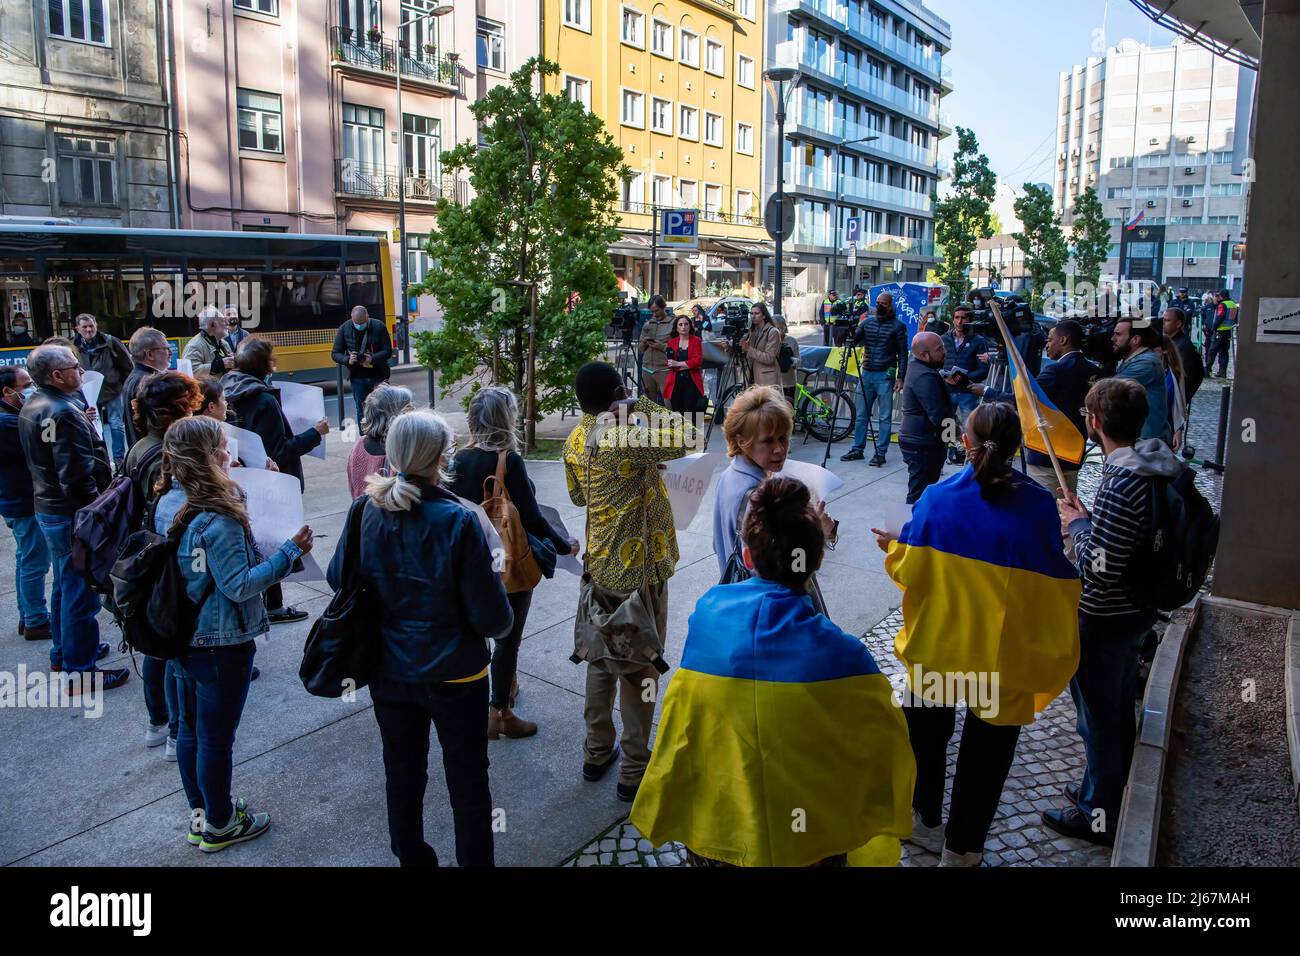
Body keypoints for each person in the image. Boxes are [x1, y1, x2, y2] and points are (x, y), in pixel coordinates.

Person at [633, 477, 914, 867]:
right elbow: (880, 751)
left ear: (747, 557)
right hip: (807, 841)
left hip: (720, 831)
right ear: (816, 560)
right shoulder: (846, 656)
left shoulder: (707, 617)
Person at [874, 403, 1081, 865]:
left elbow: (910, 570)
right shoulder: (1038, 506)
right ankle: (962, 850)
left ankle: (923, 819)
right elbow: (1052, 579)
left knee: (926, 741)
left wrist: (893, 548)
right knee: (984, 761)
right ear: (1015, 446)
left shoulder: (936, 498)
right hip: (1001, 663)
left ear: (964, 442)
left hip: (939, 647)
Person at [328, 410, 512, 867]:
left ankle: (412, 858)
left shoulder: (363, 510)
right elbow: (493, 619)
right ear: (442, 457)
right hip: (456, 674)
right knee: (468, 781)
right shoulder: (458, 520)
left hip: (389, 669)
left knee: (402, 773)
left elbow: (338, 579)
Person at [153, 416, 311, 852]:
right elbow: (239, 584)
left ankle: (201, 816)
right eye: (224, 446)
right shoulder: (217, 516)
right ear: (210, 455)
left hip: (181, 635)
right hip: (220, 643)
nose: (231, 452)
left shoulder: (168, 500)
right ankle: (221, 824)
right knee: (215, 741)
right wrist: (289, 553)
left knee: (188, 730)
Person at [1045, 377, 1184, 845]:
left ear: (1096, 422)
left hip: (1106, 617)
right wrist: (1089, 520)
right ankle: (1099, 785)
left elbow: (1099, 566)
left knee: (1100, 715)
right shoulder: (1151, 463)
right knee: (1115, 706)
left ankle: (1097, 812)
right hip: (1135, 610)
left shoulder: (1123, 479)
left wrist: (1076, 524)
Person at [562, 362, 697, 802]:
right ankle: (635, 767)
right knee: (640, 665)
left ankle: (595, 751)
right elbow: (690, 434)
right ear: (618, 394)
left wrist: (636, 473)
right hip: (640, 573)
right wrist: (639, 405)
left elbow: (580, 495)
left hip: (599, 567)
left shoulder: (577, 437)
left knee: (601, 658)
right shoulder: (625, 436)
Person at [448, 386, 578, 740]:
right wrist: (563, 545)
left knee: (478, 633)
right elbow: (533, 519)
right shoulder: (509, 460)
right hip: (507, 560)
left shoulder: (457, 459)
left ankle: (483, 699)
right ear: (506, 419)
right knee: (507, 638)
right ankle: (499, 713)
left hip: (469, 561)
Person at [18, 345, 123, 688]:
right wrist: (96, 516)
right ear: (57, 376)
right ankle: (81, 668)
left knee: (65, 584)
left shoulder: (34, 403)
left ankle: (66, 653)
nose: (81, 371)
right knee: (81, 590)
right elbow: (76, 477)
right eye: (75, 367)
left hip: (50, 510)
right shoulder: (63, 411)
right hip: (70, 514)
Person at [125, 372, 203, 758]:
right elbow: (178, 515)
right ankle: (173, 729)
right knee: (168, 653)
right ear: (180, 408)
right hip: (165, 563)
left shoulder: (141, 446)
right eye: (192, 401)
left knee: (156, 650)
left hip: (148, 554)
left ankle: (158, 722)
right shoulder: (166, 454)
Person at [223, 337, 327, 625]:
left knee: (257, 539)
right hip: (270, 479)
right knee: (272, 540)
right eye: (272, 359)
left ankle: (269, 604)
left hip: (242, 475)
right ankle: (273, 606)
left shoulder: (230, 388)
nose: (275, 364)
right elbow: (279, 450)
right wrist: (315, 433)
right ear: (264, 364)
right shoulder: (263, 400)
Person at [713, 385, 837, 576]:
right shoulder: (759, 497)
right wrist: (817, 533)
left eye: (783, 438)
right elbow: (787, 571)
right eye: (768, 441)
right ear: (741, 441)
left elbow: (718, 543)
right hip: (766, 603)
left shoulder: (728, 476)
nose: (780, 449)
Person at [971, 319, 1100, 497]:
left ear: (1063, 340)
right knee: (1068, 505)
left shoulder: (1055, 371)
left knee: (1046, 507)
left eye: (1050, 339)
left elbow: (1023, 401)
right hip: (1074, 454)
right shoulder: (1094, 371)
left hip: (1047, 455)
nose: (1047, 344)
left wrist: (988, 392)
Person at [1, 366, 51, 642]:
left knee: (26, 559)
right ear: (8, 391)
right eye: (26, 385)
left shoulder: (10, 417)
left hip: (16, 500)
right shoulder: (8, 423)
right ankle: (35, 619)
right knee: (35, 561)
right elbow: (41, 448)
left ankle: (28, 615)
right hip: (23, 502)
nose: (31, 389)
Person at [841, 290, 908, 467]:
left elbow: (902, 354)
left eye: (883, 303)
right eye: (877, 302)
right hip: (867, 372)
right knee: (862, 414)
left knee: (885, 417)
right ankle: (857, 449)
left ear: (890, 305)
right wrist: (848, 329)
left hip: (885, 374)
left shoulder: (898, 326)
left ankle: (880, 452)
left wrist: (900, 377)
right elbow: (852, 341)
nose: (879, 305)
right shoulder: (867, 322)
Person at [897, 331, 954, 505]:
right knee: (919, 497)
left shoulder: (921, 368)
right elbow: (940, 416)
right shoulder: (925, 376)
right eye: (939, 349)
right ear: (923, 354)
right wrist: (955, 439)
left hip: (921, 441)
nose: (944, 352)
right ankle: (912, 529)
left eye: (943, 347)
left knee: (922, 492)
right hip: (921, 444)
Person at [72, 313, 134, 468]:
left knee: (116, 424)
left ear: (96, 326)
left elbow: (127, 365)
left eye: (91, 326)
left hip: (113, 390)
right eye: (84, 327)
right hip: (89, 393)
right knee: (94, 425)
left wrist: (127, 386)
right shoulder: (73, 347)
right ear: (77, 329)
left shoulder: (110, 341)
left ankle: (119, 460)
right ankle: (103, 458)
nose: (88, 329)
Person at [346, 383, 414, 498]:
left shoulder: (358, 445)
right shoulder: (399, 451)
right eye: (409, 407)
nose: (413, 412)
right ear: (397, 414)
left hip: (365, 514)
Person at [331, 305, 393, 425]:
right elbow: (335, 354)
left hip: (378, 375)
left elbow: (388, 351)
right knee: (362, 410)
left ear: (367, 317)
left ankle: (384, 436)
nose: (359, 326)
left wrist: (372, 358)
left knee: (383, 408)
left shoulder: (378, 326)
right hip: (357, 376)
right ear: (351, 318)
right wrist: (348, 359)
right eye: (356, 323)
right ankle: (364, 439)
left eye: (363, 323)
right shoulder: (344, 328)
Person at [1112, 317, 1170, 443]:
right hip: (1139, 438)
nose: (1113, 339)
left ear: (1136, 339)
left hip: (1147, 442)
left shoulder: (1146, 363)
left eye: (1118, 334)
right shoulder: (1132, 359)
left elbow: (1109, 388)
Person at [940, 304, 990, 441]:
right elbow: (937, 362)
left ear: (969, 319)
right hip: (947, 389)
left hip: (967, 391)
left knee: (969, 425)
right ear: (953, 319)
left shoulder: (978, 341)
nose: (960, 321)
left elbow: (983, 370)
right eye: (957, 318)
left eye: (963, 318)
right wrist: (943, 375)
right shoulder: (944, 338)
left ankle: (968, 452)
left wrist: (963, 378)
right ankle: (950, 451)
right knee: (947, 423)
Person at [121, 327, 173, 449]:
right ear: (149, 354)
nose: (170, 352)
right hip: (154, 453)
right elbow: (160, 426)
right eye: (166, 348)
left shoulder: (135, 377)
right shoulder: (149, 381)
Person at [1163, 306, 1204, 408]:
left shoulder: (1182, 346)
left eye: (1167, 320)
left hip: (1174, 400)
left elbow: (1185, 377)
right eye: (1163, 320)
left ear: (1178, 324)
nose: (1163, 323)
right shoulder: (1172, 341)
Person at [662, 314, 704, 415]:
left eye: (686, 324)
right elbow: (670, 363)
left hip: (691, 380)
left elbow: (697, 361)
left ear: (690, 326)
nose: (683, 327)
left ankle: (690, 430)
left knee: (689, 411)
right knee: (677, 411)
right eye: (680, 325)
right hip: (675, 381)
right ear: (676, 328)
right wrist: (678, 364)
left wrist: (678, 364)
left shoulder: (696, 340)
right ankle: (681, 431)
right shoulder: (672, 342)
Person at [637, 296, 675, 405]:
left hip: (665, 369)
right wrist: (644, 343)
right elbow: (640, 349)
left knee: (669, 403)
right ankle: (653, 422)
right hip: (647, 368)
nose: (654, 314)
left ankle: (671, 422)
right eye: (652, 311)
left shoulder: (673, 324)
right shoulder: (647, 324)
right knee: (650, 405)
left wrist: (662, 346)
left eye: (656, 310)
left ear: (664, 307)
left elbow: (679, 348)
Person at [183, 307, 235, 379]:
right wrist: (219, 365)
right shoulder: (194, 345)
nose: (227, 323)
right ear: (212, 324)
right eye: (223, 320)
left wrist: (235, 361)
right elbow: (190, 372)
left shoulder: (224, 344)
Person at [741, 301, 783, 390]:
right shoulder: (752, 331)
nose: (753, 316)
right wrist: (730, 348)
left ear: (764, 316)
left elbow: (769, 358)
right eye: (751, 313)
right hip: (751, 378)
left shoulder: (773, 332)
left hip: (767, 380)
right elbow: (746, 355)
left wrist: (749, 349)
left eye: (756, 313)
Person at [1206, 289, 1237, 378]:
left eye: (1219, 296)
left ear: (1221, 296)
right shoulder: (1233, 304)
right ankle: (1222, 371)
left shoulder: (1222, 305)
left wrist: (1214, 327)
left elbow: (1220, 317)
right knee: (1224, 352)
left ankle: (1207, 370)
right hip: (1228, 331)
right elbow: (1235, 319)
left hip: (1219, 331)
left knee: (1212, 351)